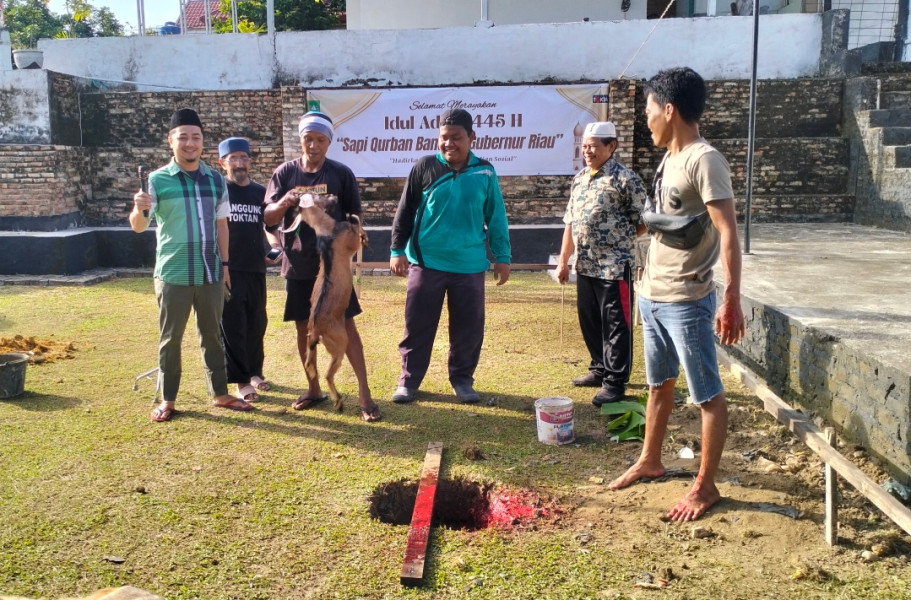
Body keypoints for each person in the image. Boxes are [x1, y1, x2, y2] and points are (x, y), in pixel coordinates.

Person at [608, 67, 745, 522]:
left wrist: (731, 298)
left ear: (669, 110)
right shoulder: (669, 159)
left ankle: (705, 487)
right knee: (657, 384)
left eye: (648, 111)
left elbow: (728, 233)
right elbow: (669, 219)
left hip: (687, 299)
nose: (646, 120)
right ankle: (650, 459)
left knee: (706, 394)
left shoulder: (705, 160)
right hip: (652, 292)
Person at [130, 108, 253, 422]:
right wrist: (138, 208)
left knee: (212, 335)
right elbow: (139, 226)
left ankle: (220, 393)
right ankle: (167, 398)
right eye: (182, 137)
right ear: (171, 141)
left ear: (202, 142)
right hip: (173, 273)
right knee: (171, 338)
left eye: (195, 137)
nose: (189, 143)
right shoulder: (157, 180)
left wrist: (225, 265)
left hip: (210, 271)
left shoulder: (215, 179)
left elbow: (222, 226)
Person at [262, 111, 381, 422]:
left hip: (333, 269)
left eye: (320, 140)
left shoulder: (341, 173)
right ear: (300, 140)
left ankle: (365, 395)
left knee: (347, 326)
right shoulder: (285, 173)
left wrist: (348, 249)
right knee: (305, 326)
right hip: (299, 264)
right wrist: (287, 201)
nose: (313, 145)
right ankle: (313, 387)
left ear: (329, 141)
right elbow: (269, 217)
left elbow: (355, 219)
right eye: (307, 139)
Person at [389, 108, 511, 405]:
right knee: (417, 325)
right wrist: (396, 249)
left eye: (456, 138)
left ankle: (462, 380)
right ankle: (409, 381)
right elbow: (404, 211)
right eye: (444, 138)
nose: (449, 144)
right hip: (426, 262)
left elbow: (496, 217)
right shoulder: (425, 167)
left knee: (468, 328)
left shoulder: (485, 171)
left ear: (471, 137)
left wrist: (502, 256)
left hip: (468, 265)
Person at [556, 121, 647, 406]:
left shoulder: (625, 179)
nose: (588, 151)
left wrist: (622, 240)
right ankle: (599, 368)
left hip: (614, 266)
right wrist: (563, 261)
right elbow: (570, 223)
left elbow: (645, 219)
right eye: (585, 146)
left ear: (611, 146)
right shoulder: (581, 178)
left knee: (616, 324)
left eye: (594, 146)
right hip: (586, 265)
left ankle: (615, 381)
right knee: (590, 321)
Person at [217, 137, 276, 403]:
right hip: (230, 268)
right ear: (222, 163)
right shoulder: (219, 191)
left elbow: (266, 227)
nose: (240, 164)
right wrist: (222, 265)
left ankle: (255, 372)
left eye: (244, 158)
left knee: (257, 321)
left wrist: (272, 249)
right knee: (233, 324)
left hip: (255, 268)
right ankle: (241, 380)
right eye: (233, 159)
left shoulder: (259, 192)